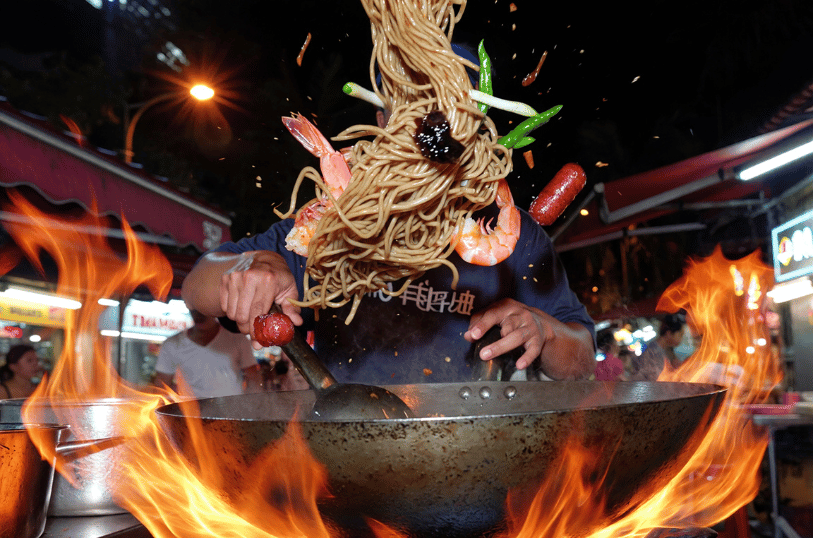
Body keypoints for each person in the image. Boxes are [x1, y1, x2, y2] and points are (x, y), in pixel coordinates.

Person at [182, 50, 595, 385]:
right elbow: (197, 284)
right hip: (349, 448)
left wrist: (546, 331)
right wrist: (252, 267)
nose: (430, 125)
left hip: (476, 448)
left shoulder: (514, 232)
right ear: (382, 122)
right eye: (410, 107)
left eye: (450, 109)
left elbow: (581, 361)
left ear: (476, 124)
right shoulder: (340, 214)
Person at [154, 309, 261, 398]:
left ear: (213, 309)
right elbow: (161, 386)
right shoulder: (172, 344)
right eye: (194, 309)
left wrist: (251, 405)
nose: (198, 314)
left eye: (203, 309)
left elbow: (253, 378)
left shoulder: (238, 338)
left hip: (231, 413)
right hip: (192, 417)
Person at [629, 312, 687, 381]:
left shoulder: (660, 349)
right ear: (668, 333)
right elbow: (656, 379)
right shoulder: (655, 351)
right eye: (680, 335)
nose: (681, 339)